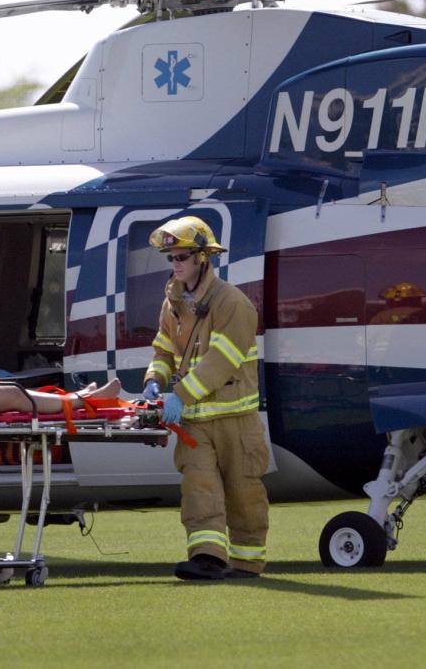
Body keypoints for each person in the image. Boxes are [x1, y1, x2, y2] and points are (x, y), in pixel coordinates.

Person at [144, 216, 269, 580]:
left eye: (181, 256)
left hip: (235, 419)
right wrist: (155, 379)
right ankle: (207, 558)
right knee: (199, 488)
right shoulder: (172, 304)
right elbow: (164, 351)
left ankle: (247, 563)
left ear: (202, 257)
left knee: (244, 493)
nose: (175, 264)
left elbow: (222, 362)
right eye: (170, 258)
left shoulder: (233, 303)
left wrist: (179, 396)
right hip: (195, 422)